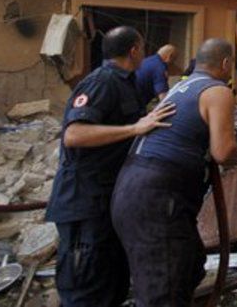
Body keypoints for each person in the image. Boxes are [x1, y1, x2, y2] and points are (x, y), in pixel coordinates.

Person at [111, 38, 237, 306]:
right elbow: (224, 153)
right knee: (165, 291)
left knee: (190, 265)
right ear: (226, 63)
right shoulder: (218, 91)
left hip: (131, 188)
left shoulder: (180, 87)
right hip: (159, 197)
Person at [46, 26, 176, 307]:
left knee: (110, 285)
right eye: (142, 47)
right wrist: (134, 128)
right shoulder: (101, 82)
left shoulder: (125, 81)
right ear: (134, 50)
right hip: (84, 203)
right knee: (87, 288)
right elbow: (74, 134)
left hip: (107, 199)